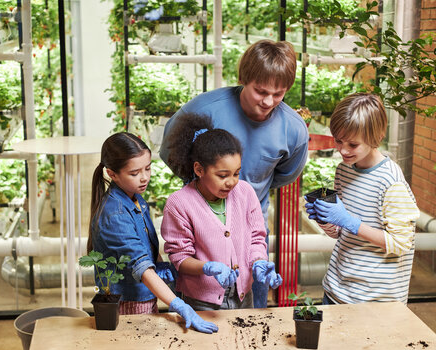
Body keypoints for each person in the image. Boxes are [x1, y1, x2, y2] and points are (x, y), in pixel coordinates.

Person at [160, 39, 309, 308]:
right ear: (243, 79)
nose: (268, 101)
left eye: (279, 94)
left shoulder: (294, 129)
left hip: (252, 236)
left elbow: (284, 176)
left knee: (252, 314)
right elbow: (172, 151)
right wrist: (199, 194)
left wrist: (247, 195)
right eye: (260, 91)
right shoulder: (201, 110)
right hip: (203, 232)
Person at [87, 132, 218, 334]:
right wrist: (178, 304)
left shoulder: (135, 199)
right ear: (112, 174)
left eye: (148, 168)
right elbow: (141, 267)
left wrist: (160, 263)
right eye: (134, 173)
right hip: (129, 301)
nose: (144, 177)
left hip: (146, 294)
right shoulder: (115, 215)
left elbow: (147, 245)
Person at [305, 93, 420, 305]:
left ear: (375, 137)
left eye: (353, 144)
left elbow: (401, 243)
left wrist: (350, 221)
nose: (343, 150)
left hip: (376, 301)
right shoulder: (344, 170)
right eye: (338, 141)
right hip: (336, 290)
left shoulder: (391, 182)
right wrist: (325, 220)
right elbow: (341, 234)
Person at [161, 113, 282, 311]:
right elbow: (180, 259)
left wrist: (259, 261)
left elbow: (256, 239)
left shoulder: (245, 192)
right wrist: (206, 268)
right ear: (199, 170)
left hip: (244, 295)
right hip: (201, 301)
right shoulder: (179, 203)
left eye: (236, 173)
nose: (232, 182)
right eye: (222, 175)